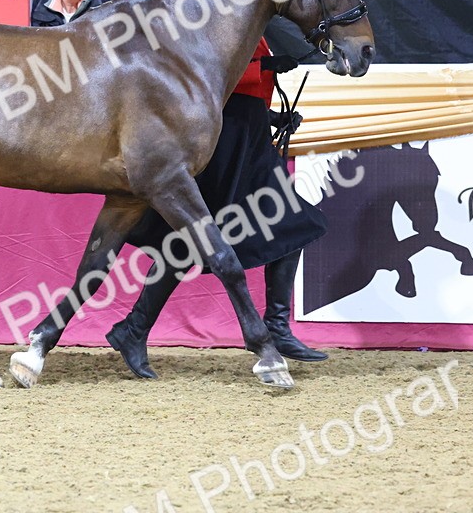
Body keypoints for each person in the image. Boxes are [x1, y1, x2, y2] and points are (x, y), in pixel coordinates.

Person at [106, 37, 329, 379]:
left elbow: (240, 97)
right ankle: (134, 329)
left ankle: (276, 327)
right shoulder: (219, 23)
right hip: (225, 145)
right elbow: (212, 73)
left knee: (290, 224)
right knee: (190, 242)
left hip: (248, 141)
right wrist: (266, 67)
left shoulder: (258, 33)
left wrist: (271, 117)